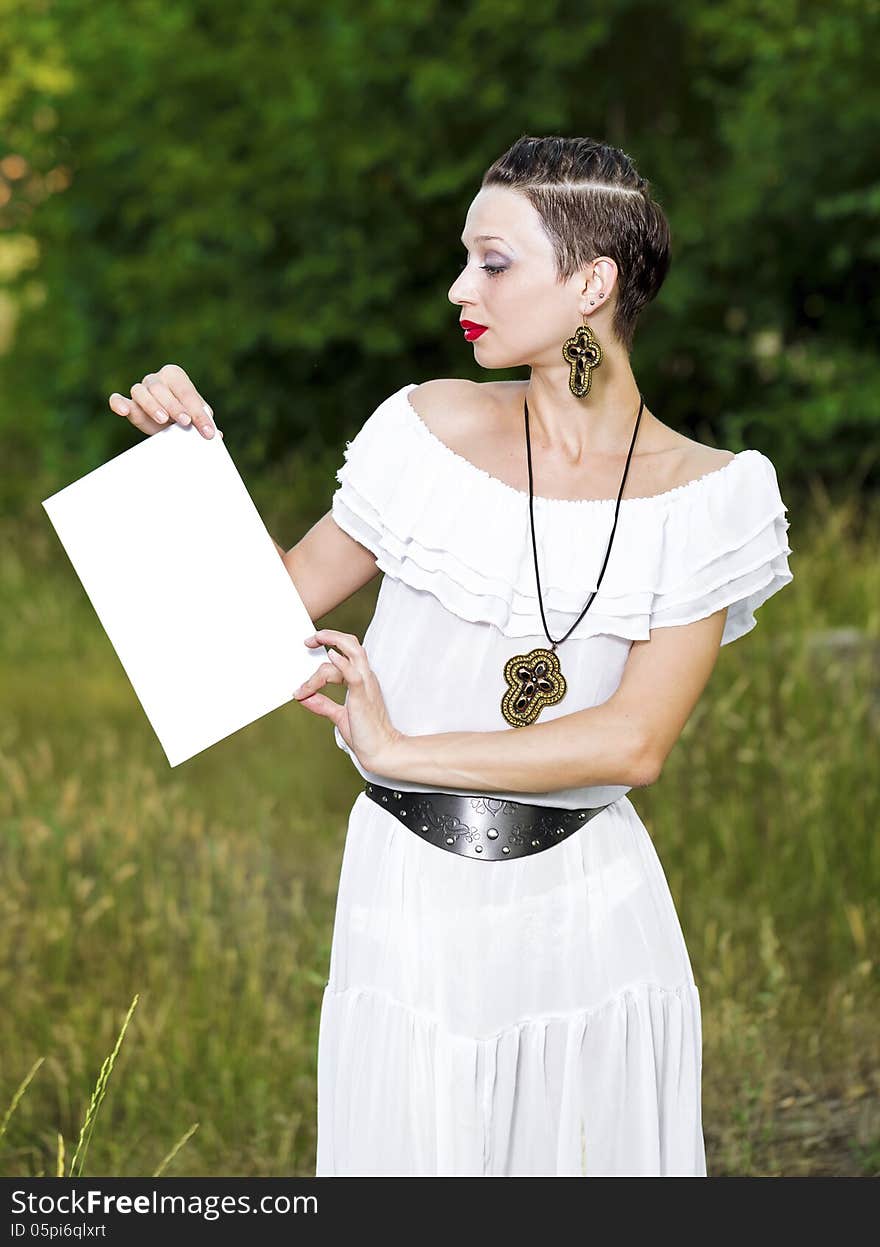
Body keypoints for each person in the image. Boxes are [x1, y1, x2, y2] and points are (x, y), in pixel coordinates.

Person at [109, 135, 794, 1177]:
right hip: (406, 904)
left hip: (590, 919)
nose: (457, 286)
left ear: (590, 283)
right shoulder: (423, 429)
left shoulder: (712, 497)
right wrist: (187, 468)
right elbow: (252, 622)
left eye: (493, 260)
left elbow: (635, 740)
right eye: (463, 257)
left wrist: (401, 746)